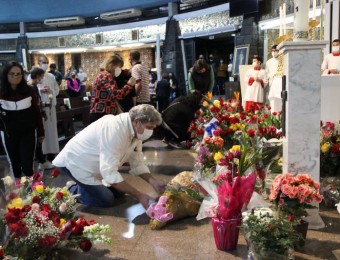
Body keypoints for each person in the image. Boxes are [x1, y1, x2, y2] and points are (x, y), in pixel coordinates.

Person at [52, 104, 165, 208]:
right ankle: (72, 190)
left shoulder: (136, 131)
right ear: (136, 122)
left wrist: (153, 182)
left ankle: (86, 187)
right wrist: (139, 195)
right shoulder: (115, 130)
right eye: (149, 127)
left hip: (94, 166)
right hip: (75, 163)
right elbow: (109, 171)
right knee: (105, 199)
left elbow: (137, 162)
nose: (150, 132)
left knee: (120, 192)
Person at [0, 61, 44, 179]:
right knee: (14, 165)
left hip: (28, 133)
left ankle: (31, 192)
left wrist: (41, 131)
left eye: (18, 74)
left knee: (27, 165)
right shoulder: (1, 92)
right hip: (9, 135)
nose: (16, 77)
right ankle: (18, 192)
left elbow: (36, 112)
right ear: (6, 75)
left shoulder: (29, 90)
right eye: (12, 74)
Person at [89, 54, 136, 123]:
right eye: (119, 67)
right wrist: (129, 84)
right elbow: (117, 95)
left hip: (100, 112)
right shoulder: (107, 76)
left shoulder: (102, 75)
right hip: (102, 113)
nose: (120, 69)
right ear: (113, 65)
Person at [37, 55, 60, 168]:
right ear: (39, 63)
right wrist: (39, 90)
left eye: (46, 62)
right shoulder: (34, 75)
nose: (45, 64)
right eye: (43, 62)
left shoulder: (51, 76)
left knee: (51, 132)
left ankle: (52, 155)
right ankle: (42, 157)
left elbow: (56, 90)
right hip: (39, 109)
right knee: (42, 132)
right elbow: (29, 86)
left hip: (50, 107)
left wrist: (50, 92)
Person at [29, 67, 48, 172]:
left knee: (38, 140)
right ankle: (41, 161)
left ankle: (41, 161)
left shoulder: (34, 86)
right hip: (33, 118)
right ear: (37, 76)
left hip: (36, 115)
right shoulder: (31, 87)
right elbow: (36, 103)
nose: (42, 78)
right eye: (42, 76)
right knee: (38, 140)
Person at [265, 45, 282, 113]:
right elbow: (267, 72)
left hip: (280, 81)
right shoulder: (269, 62)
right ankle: (273, 112)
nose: (274, 52)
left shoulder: (282, 60)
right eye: (273, 51)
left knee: (279, 98)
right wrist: (271, 76)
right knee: (272, 98)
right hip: (272, 81)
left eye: (275, 51)